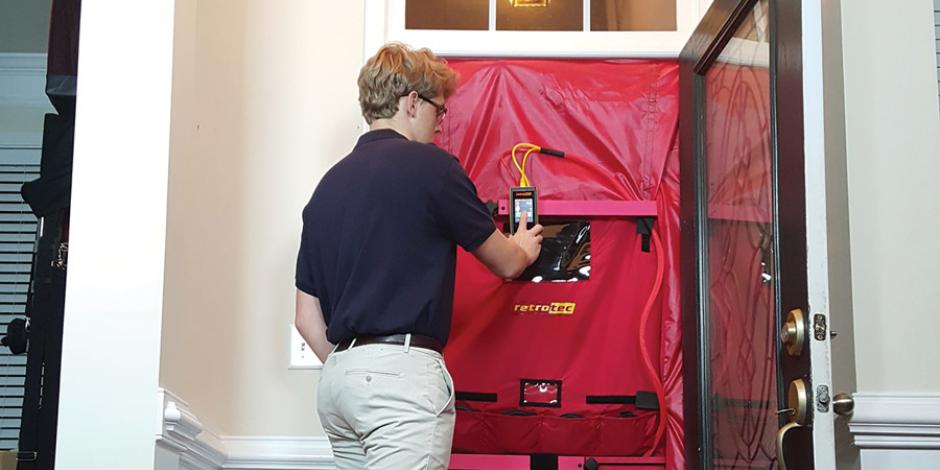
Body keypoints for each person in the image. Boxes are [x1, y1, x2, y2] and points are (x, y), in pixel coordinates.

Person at [294, 42, 544, 470]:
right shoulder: (432, 168)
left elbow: (305, 318)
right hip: (400, 382)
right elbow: (505, 262)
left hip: (338, 387)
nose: (441, 125)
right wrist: (522, 246)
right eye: (439, 110)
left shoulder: (326, 188)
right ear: (411, 102)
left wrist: (355, 368)